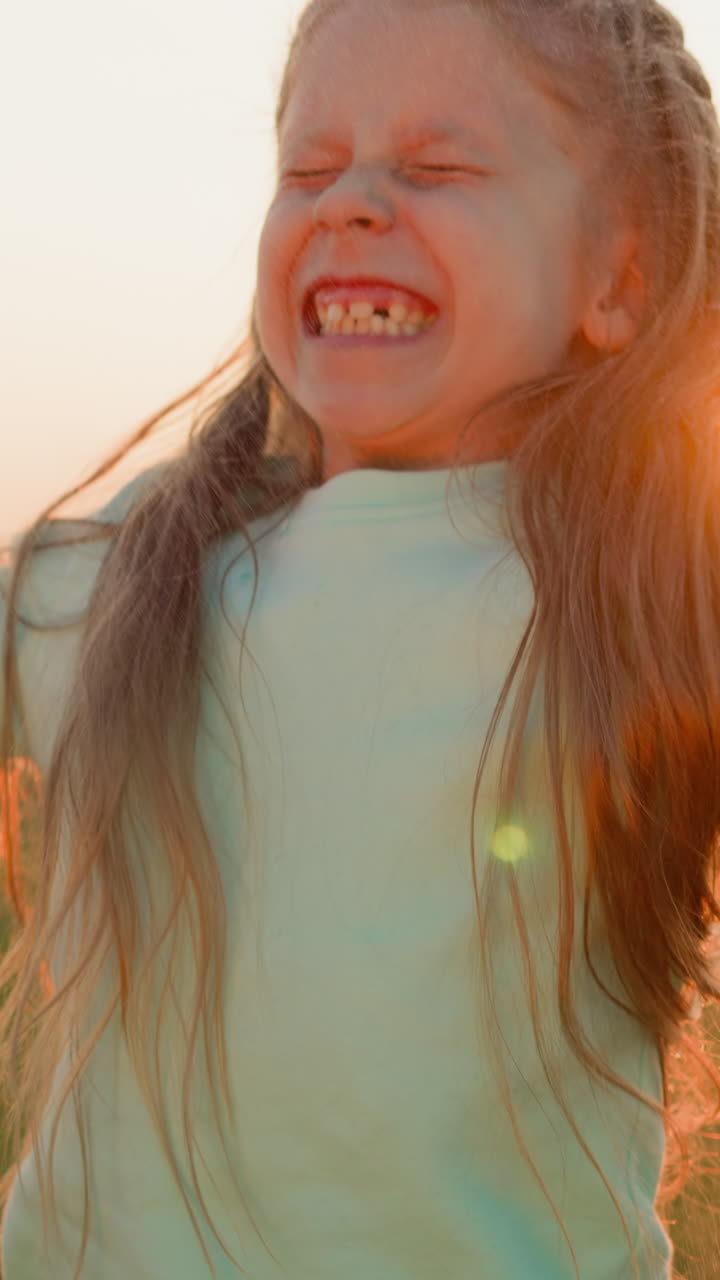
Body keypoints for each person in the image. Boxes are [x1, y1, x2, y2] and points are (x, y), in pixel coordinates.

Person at [1, 0, 720, 1275]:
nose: (352, 203)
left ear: (620, 278)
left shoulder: (640, 594)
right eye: (308, 170)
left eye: (439, 167)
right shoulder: (125, 580)